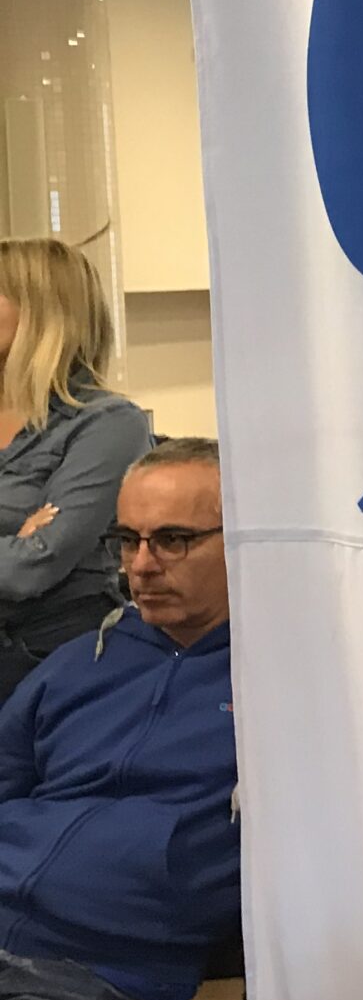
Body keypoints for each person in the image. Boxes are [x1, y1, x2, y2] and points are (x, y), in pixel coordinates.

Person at [0, 437, 236, 1000]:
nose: (140, 565)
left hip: (100, 978)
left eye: (173, 539)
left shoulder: (281, 681)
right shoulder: (78, 664)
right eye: (126, 539)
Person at [0, 240, 151, 701]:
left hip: (48, 662)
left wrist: (26, 550)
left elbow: (32, 568)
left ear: (41, 310)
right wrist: (16, 540)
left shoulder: (108, 423)